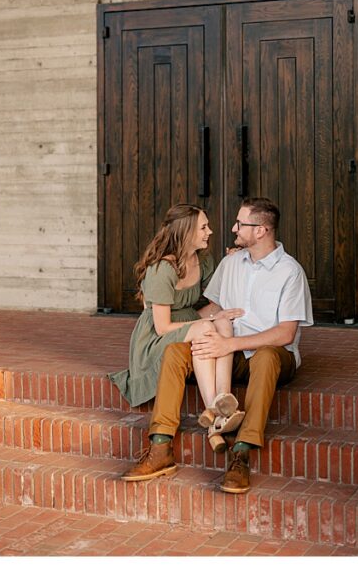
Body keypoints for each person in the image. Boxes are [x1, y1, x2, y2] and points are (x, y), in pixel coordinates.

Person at [121, 197, 314, 495]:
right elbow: (213, 308)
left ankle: (241, 451)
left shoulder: (290, 272)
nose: (232, 227)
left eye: (240, 223)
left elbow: (286, 334)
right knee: (175, 352)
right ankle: (161, 446)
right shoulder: (231, 262)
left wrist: (229, 342)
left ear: (261, 230)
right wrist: (199, 330)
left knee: (265, 357)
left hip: (271, 355)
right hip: (229, 351)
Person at [109, 204, 246, 452]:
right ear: (186, 232)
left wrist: (232, 262)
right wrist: (206, 322)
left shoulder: (204, 260)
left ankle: (223, 402)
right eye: (203, 227)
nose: (210, 231)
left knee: (223, 321)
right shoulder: (162, 269)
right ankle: (215, 415)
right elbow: (163, 327)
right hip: (157, 337)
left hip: (190, 320)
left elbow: (213, 305)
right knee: (207, 328)